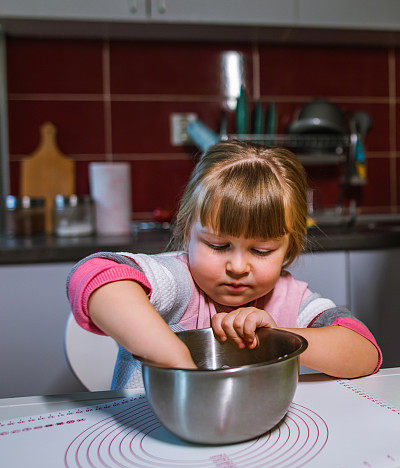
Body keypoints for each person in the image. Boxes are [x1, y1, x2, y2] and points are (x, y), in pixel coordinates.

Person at [67, 142, 381, 389]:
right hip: (151, 437)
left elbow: (365, 352)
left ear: (289, 248)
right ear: (188, 231)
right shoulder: (178, 281)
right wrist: (179, 362)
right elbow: (95, 274)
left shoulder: (291, 299)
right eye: (219, 246)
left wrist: (276, 336)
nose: (238, 266)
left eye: (261, 250)